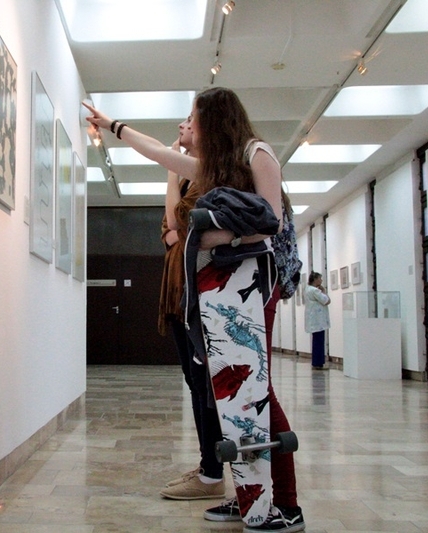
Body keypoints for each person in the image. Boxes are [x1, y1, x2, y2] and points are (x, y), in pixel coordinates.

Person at [84, 88, 305, 532]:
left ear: (215, 120)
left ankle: (286, 503)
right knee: (229, 393)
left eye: (193, 116)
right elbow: (158, 153)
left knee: (256, 391)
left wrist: (219, 237)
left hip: (255, 284)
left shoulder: (258, 154)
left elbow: (271, 222)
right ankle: (248, 495)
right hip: (221, 288)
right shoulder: (215, 168)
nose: (188, 124)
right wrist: (113, 126)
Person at [157, 117, 225, 501]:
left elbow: (176, 224)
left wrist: (171, 174)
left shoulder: (205, 177)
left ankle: (212, 472)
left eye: (189, 121)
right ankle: (207, 465)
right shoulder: (189, 181)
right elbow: (166, 233)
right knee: (194, 383)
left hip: (194, 292)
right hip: (178, 292)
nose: (181, 125)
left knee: (203, 384)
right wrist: (175, 227)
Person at [304, 272, 331, 369]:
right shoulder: (315, 290)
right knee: (319, 342)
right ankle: (318, 363)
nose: (321, 280)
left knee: (316, 341)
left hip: (314, 320)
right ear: (315, 279)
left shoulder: (307, 289)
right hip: (318, 320)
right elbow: (326, 301)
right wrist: (324, 291)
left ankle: (317, 362)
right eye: (320, 278)